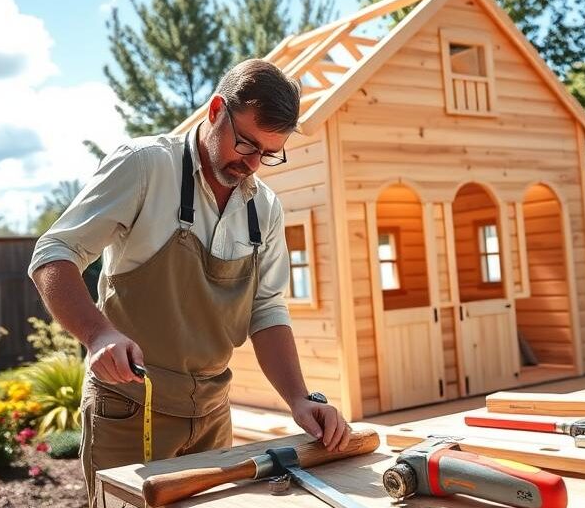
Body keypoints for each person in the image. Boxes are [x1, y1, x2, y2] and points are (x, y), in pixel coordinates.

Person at [28, 59, 351, 507]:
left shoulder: (266, 209)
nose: (253, 164)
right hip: (128, 409)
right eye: (246, 144)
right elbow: (53, 254)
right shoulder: (144, 167)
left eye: (269, 153)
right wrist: (98, 332)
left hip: (214, 414)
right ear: (216, 109)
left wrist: (299, 398)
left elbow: (267, 310)